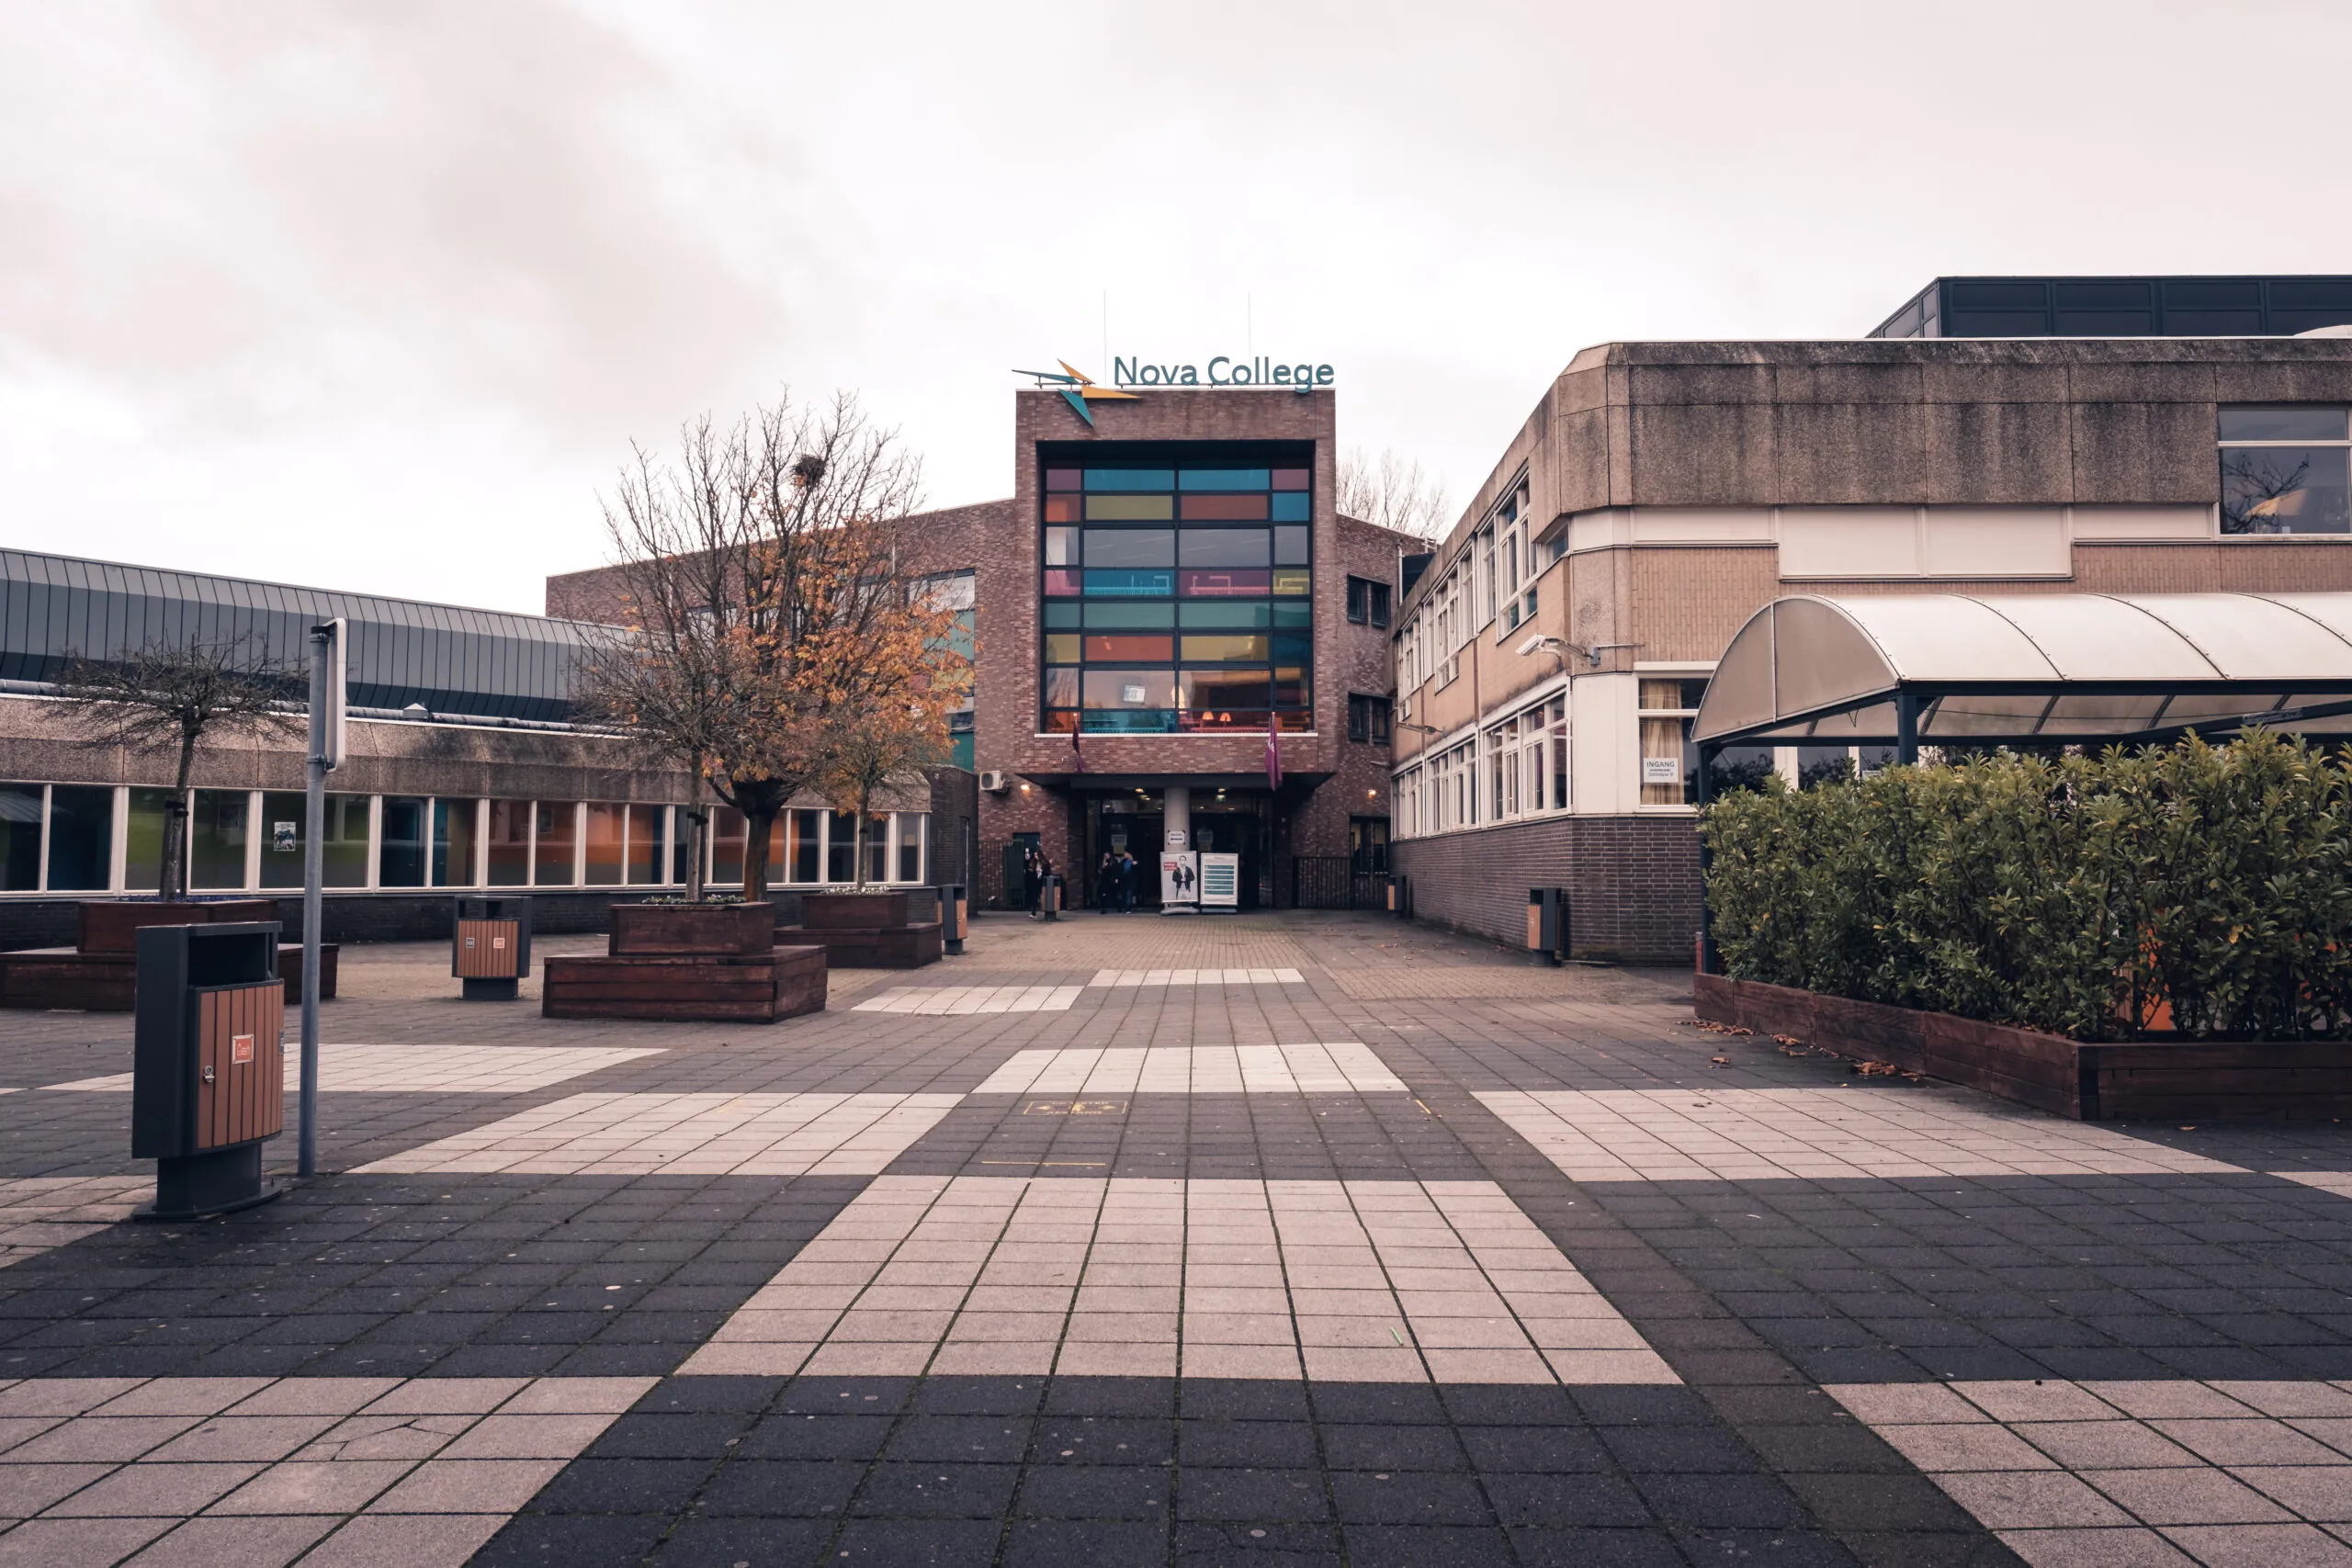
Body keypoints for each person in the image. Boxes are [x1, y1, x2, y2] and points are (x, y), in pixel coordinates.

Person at [1097, 850, 1117, 915]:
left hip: (1110, 880)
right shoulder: (1102, 862)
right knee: (1103, 895)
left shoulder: (1112, 862)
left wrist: (1115, 878)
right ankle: (1104, 908)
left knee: (1112, 895)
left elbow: (1113, 871)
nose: (1105, 857)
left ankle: (1119, 907)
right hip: (1103, 881)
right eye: (1105, 856)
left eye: (1107, 855)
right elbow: (1099, 870)